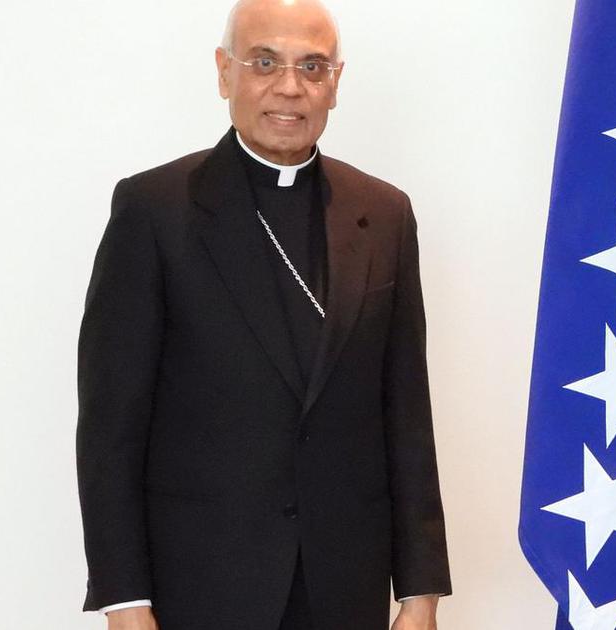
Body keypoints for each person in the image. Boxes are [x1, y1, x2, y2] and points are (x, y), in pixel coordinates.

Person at [75, 1, 450, 628]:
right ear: (225, 73)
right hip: (200, 586)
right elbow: (111, 426)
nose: (290, 87)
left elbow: (406, 412)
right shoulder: (155, 210)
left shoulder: (384, 214)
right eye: (265, 63)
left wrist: (421, 590)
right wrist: (125, 600)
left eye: (313, 66)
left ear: (335, 83)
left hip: (344, 586)